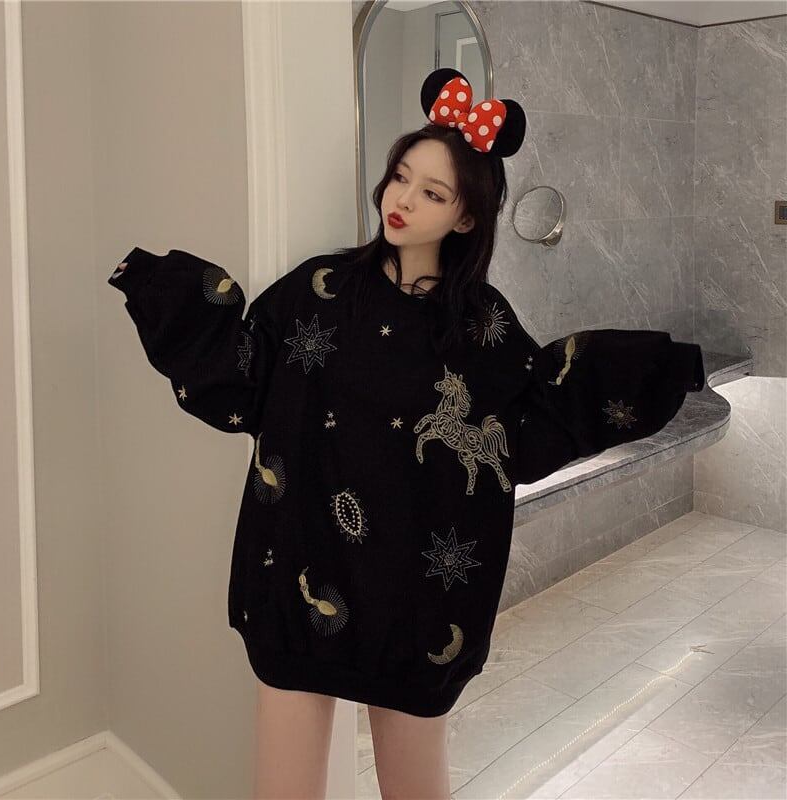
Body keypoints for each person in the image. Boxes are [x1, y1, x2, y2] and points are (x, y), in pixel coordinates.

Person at [108, 68, 705, 800]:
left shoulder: (482, 325)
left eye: (432, 192)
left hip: (416, 601)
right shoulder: (319, 290)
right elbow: (245, 377)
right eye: (400, 177)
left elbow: (530, 422)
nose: (403, 199)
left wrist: (653, 370)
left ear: (465, 219)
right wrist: (166, 293)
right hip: (300, 571)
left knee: (415, 786)